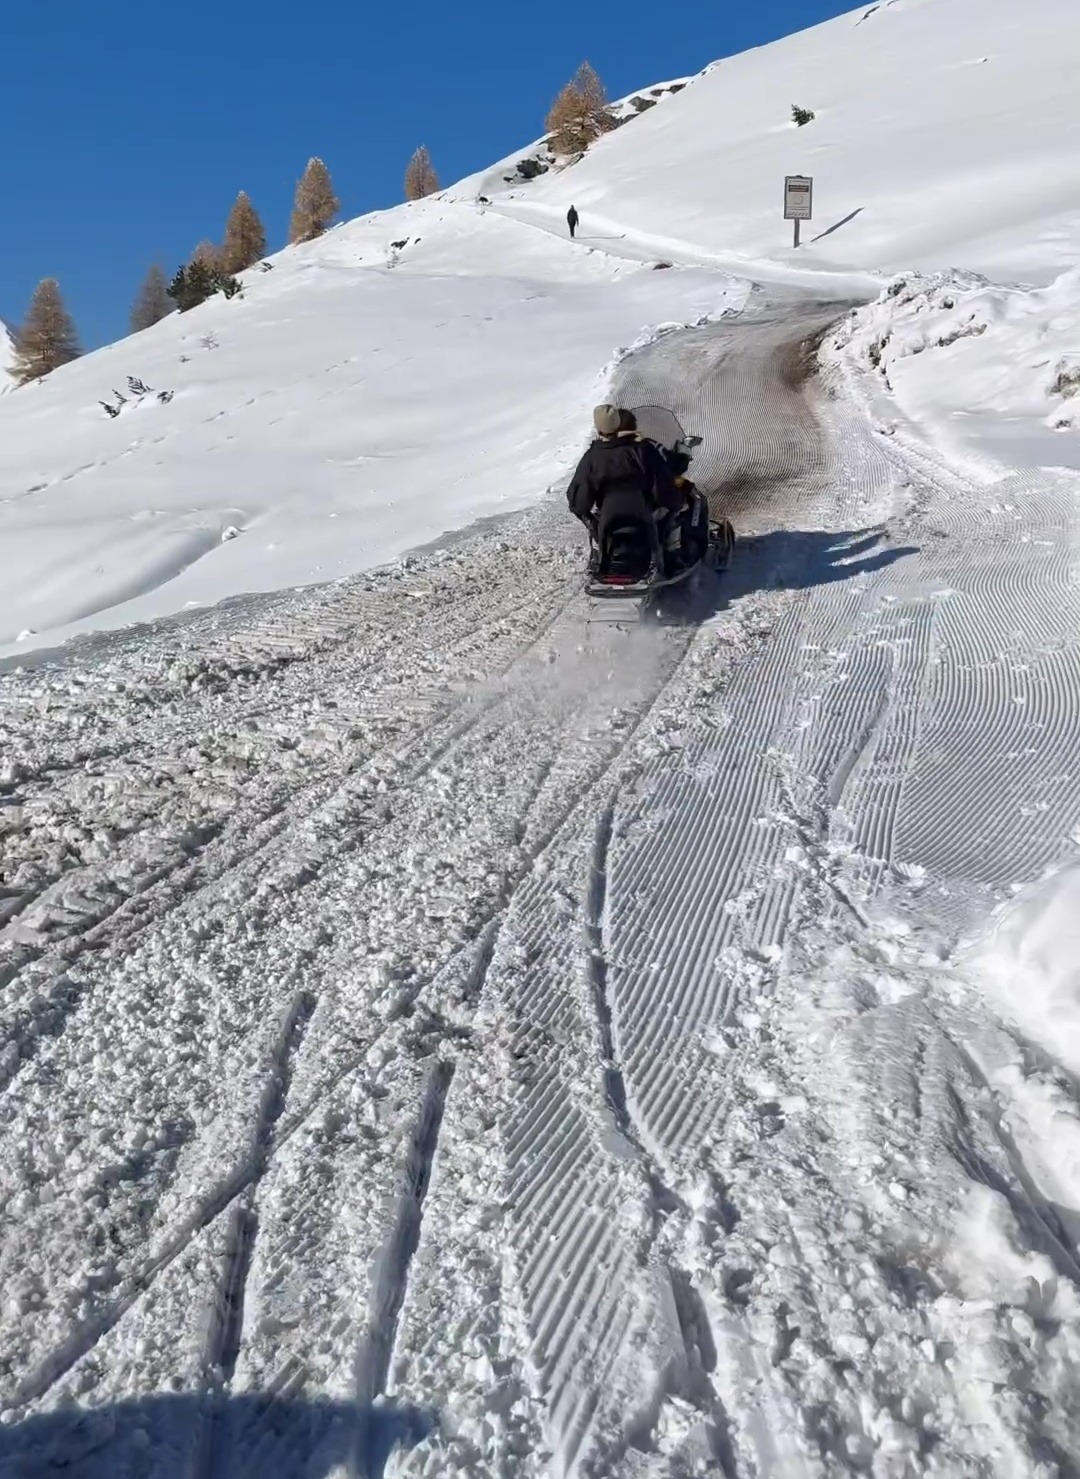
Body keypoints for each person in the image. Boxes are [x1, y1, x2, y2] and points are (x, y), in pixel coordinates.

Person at [567, 405, 684, 572]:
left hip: (609, 518)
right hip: (644, 514)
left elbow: (579, 500)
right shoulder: (643, 450)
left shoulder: (592, 457)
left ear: (598, 427)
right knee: (673, 513)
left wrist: (589, 519)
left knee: (594, 522)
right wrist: (674, 500)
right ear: (618, 422)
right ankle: (673, 559)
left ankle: (598, 556)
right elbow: (662, 485)